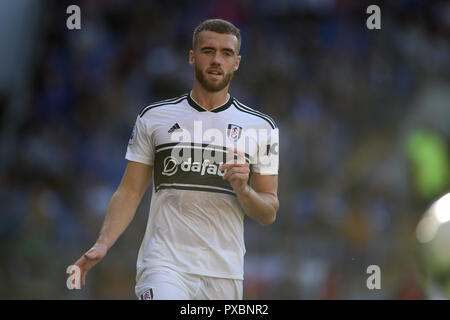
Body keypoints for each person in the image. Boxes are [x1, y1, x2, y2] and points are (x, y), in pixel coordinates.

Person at [73, 18, 279, 300]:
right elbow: (130, 191)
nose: (217, 59)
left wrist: (244, 190)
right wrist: (103, 243)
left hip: (224, 273)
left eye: (226, 53)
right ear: (192, 58)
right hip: (164, 265)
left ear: (237, 62)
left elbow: (268, 212)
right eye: (208, 51)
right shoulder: (154, 118)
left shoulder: (261, 128)